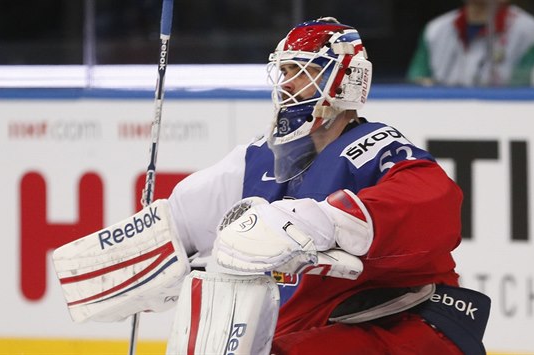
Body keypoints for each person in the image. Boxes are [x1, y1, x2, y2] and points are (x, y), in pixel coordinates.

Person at [164, 17, 491, 354]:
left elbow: (434, 204)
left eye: (303, 72)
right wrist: (149, 246)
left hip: (405, 325)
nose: (288, 84)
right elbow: (184, 218)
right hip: (325, 327)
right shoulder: (262, 159)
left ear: (346, 81)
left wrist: (332, 221)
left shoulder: (377, 148)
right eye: (286, 72)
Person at [407, 0, 534, 86]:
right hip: (441, 116)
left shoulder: (532, 32)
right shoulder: (435, 29)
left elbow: (528, 86)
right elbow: (415, 81)